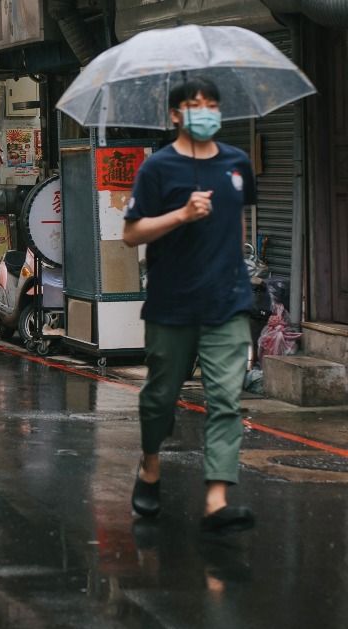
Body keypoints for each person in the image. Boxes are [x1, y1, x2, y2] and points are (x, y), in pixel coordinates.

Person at [122, 77, 256, 534]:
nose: (206, 111)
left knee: (225, 399)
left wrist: (239, 272)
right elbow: (131, 234)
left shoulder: (237, 163)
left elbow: (237, 221)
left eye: (213, 103)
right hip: (171, 303)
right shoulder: (158, 169)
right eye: (196, 104)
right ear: (176, 114)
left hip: (228, 302)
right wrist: (181, 214)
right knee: (160, 397)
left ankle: (216, 500)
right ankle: (150, 465)